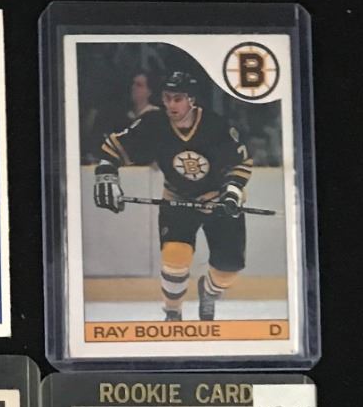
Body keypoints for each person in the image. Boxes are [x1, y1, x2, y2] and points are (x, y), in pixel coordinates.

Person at [93, 65, 253, 322]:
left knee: (228, 268)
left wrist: (231, 193)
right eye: (167, 98)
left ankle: (209, 291)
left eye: (177, 99)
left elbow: (240, 163)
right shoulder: (154, 123)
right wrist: (106, 173)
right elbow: (114, 146)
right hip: (177, 199)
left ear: (191, 99)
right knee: (175, 256)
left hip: (218, 201)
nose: (170, 105)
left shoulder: (215, 126)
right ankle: (172, 313)